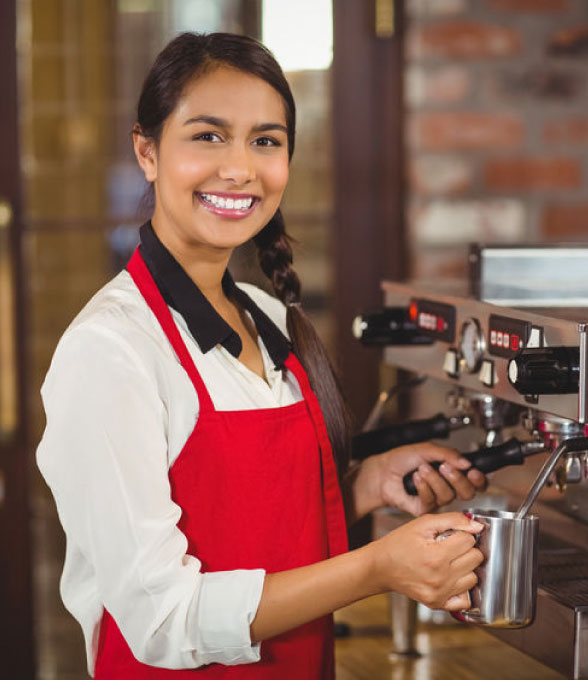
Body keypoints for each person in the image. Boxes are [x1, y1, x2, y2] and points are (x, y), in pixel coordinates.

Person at [36, 32, 486, 679]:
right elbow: (162, 620)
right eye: (208, 135)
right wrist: (376, 567)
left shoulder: (267, 317)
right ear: (147, 150)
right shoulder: (110, 349)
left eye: (266, 141)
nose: (241, 168)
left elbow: (247, 523)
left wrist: (363, 485)